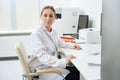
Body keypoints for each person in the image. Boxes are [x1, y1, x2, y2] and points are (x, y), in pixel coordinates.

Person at [29, 5, 80, 80]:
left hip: (52, 65)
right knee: (74, 76)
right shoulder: (37, 33)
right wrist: (64, 61)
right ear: (41, 17)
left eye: (51, 16)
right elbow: (43, 57)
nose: (48, 18)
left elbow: (60, 43)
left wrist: (72, 46)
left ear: (54, 18)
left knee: (77, 70)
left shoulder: (52, 31)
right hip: (43, 69)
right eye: (45, 15)